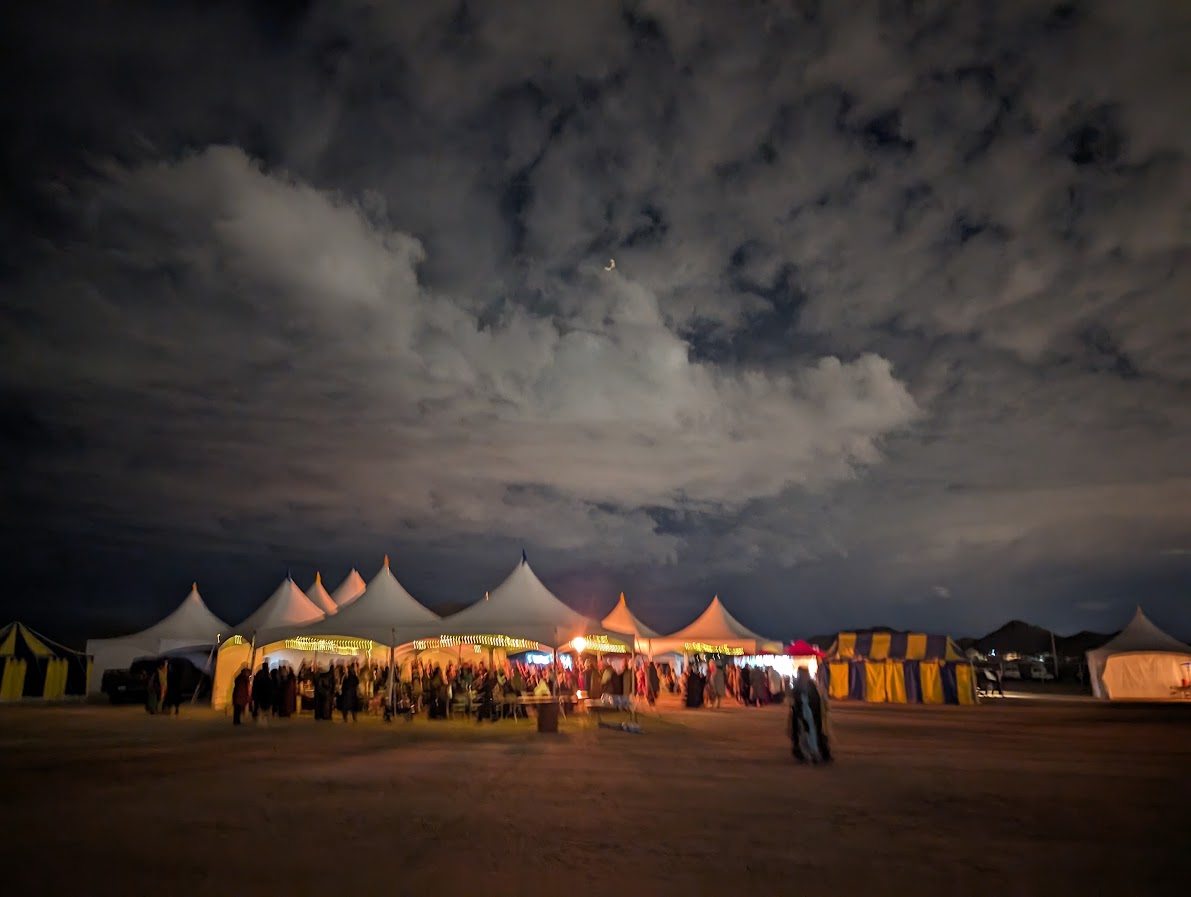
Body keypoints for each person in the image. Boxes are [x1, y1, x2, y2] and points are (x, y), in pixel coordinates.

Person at [788, 667, 832, 764]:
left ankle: (812, 753)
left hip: (808, 714)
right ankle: (810, 753)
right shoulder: (805, 685)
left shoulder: (807, 686)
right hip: (805, 713)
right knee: (806, 734)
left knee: (809, 734)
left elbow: (814, 701)